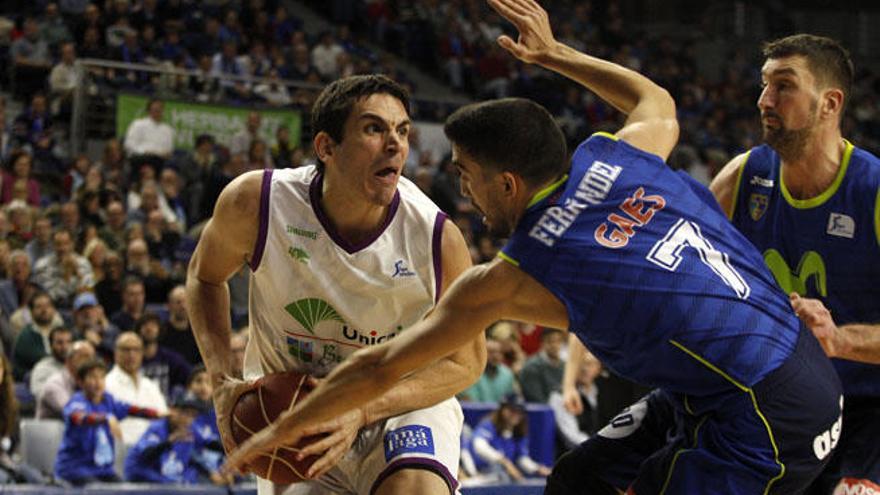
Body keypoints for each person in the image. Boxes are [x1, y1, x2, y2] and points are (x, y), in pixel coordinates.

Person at [223, 2, 844, 494]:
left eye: (466, 173)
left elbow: (378, 367)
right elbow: (657, 101)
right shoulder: (618, 156)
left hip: (766, 414)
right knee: (577, 479)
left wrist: (276, 432)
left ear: (507, 183)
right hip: (752, 373)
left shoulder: (522, 271)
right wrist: (556, 53)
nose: (461, 190)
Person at [187, 73, 482, 495]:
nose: (396, 144)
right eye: (374, 129)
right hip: (298, 408)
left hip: (398, 403)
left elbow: (465, 361)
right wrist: (221, 383)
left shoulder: (436, 236)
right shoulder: (257, 202)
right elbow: (204, 276)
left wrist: (363, 411)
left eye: (402, 130)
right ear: (326, 147)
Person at [709, 34, 880, 495]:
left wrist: (840, 340)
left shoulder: (874, 191)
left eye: (783, 86)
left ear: (829, 103)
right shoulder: (742, 175)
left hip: (868, 415)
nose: (764, 100)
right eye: (764, 85)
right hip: (773, 408)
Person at [54, 358, 161, 486]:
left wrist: (159, 414)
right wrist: (106, 418)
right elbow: (81, 418)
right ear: (81, 382)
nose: (97, 382)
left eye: (101, 377)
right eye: (92, 377)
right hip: (75, 469)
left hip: (103, 470)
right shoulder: (76, 402)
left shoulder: (108, 400)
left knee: (127, 489)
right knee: (99, 491)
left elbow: (131, 409)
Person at [123, 393, 207, 483]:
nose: (188, 419)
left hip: (167, 483)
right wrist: (170, 441)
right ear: (172, 410)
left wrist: (212, 474)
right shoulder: (156, 428)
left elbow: (207, 444)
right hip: (142, 482)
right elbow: (147, 455)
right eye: (185, 413)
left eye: (193, 415)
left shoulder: (189, 431)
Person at [104, 331, 169, 446]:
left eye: (136, 350)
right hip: (121, 450)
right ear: (116, 353)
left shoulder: (150, 386)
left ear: (142, 353)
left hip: (153, 451)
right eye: (126, 350)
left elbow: (163, 417)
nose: (131, 355)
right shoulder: (106, 384)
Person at [467, 394, 551, 482]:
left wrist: (538, 469)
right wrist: (504, 462)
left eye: (519, 412)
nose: (516, 414)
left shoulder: (518, 432)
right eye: (512, 410)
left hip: (501, 476)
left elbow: (521, 458)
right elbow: (479, 447)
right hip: (480, 474)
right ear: (502, 410)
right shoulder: (488, 425)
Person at [36, 339, 95, 419]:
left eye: (92, 358)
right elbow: (73, 413)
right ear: (68, 361)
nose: (89, 362)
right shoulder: (54, 384)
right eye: (83, 357)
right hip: (51, 430)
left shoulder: (91, 383)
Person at [518, 327, 565, 403]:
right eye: (550, 341)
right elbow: (537, 400)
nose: (555, 345)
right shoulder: (531, 367)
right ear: (542, 343)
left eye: (558, 341)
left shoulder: (564, 366)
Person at [28, 325, 73, 397]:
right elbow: (38, 394)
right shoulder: (42, 368)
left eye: (68, 342)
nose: (65, 347)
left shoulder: (78, 365)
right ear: (51, 346)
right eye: (59, 343)